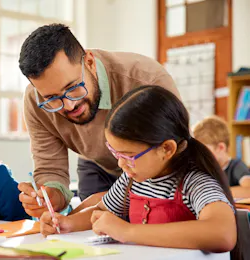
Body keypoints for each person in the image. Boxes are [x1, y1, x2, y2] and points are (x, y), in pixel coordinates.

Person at [40, 85, 239, 255]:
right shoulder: (132, 179)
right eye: (115, 153)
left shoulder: (193, 182)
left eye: (128, 156)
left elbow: (223, 234)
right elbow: (102, 211)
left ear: (166, 149)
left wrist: (127, 231)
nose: (120, 164)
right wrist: (69, 223)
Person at [18, 23, 180, 217]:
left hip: (155, 171)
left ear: (90, 62)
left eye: (73, 87)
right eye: (52, 98)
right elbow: (50, 168)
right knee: (93, 235)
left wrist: (106, 203)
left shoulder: (147, 80)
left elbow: (171, 159)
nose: (69, 105)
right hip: (96, 163)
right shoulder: (36, 102)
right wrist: (50, 197)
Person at [193, 116, 250, 198]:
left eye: (203, 151)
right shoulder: (205, 169)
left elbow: (248, 190)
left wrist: (215, 193)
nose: (199, 156)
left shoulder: (236, 166)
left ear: (221, 148)